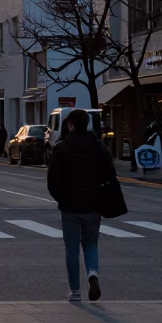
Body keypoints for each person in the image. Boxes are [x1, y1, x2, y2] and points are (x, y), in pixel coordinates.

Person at [47, 107, 116, 303]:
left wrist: (61, 198)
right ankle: (92, 274)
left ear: (70, 125)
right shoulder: (100, 148)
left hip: (70, 206)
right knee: (91, 244)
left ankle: (75, 291)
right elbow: (109, 176)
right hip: (93, 205)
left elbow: (52, 181)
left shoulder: (60, 149)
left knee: (71, 248)